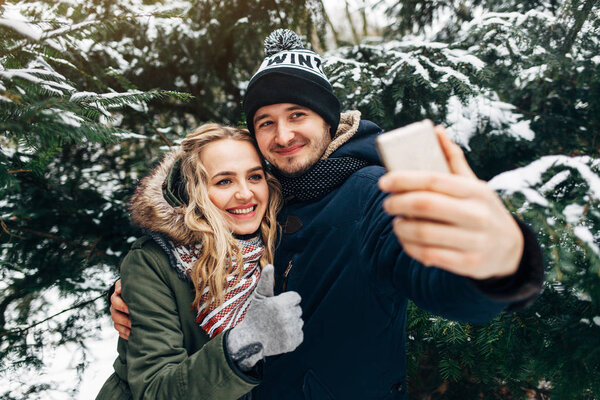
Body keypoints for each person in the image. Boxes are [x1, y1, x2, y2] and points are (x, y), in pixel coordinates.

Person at [110, 30, 544, 399]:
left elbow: (440, 282)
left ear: (328, 120)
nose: (283, 135)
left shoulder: (370, 193)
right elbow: (188, 259)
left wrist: (499, 261)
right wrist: (144, 291)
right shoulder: (264, 201)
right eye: (265, 122)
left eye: (297, 114)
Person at [97, 123, 304, 400]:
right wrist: (241, 345)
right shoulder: (154, 263)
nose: (245, 193)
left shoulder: (278, 242)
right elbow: (154, 390)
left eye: (254, 177)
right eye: (224, 181)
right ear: (193, 190)